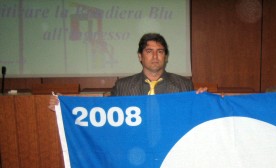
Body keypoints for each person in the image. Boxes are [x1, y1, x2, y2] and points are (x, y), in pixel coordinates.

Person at [49, 33, 206, 110]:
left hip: (170, 149)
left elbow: (194, 114)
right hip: (135, 151)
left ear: (166, 56)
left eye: (160, 51)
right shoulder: (123, 86)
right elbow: (101, 107)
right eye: (149, 51)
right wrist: (66, 103)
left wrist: (207, 100)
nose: (155, 56)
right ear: (140, 56)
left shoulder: (184, 85)